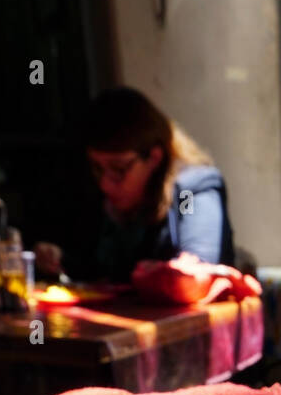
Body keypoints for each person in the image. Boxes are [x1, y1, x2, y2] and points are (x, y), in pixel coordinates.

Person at [35, 87, 234, 282]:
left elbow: (198, 269)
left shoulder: (189, 192)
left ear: (154, 158)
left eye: (119, 169)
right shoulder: (109, 202)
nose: (105, 184)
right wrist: (62, 261)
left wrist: (183, 269)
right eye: (98, 168)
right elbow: (108, 274)